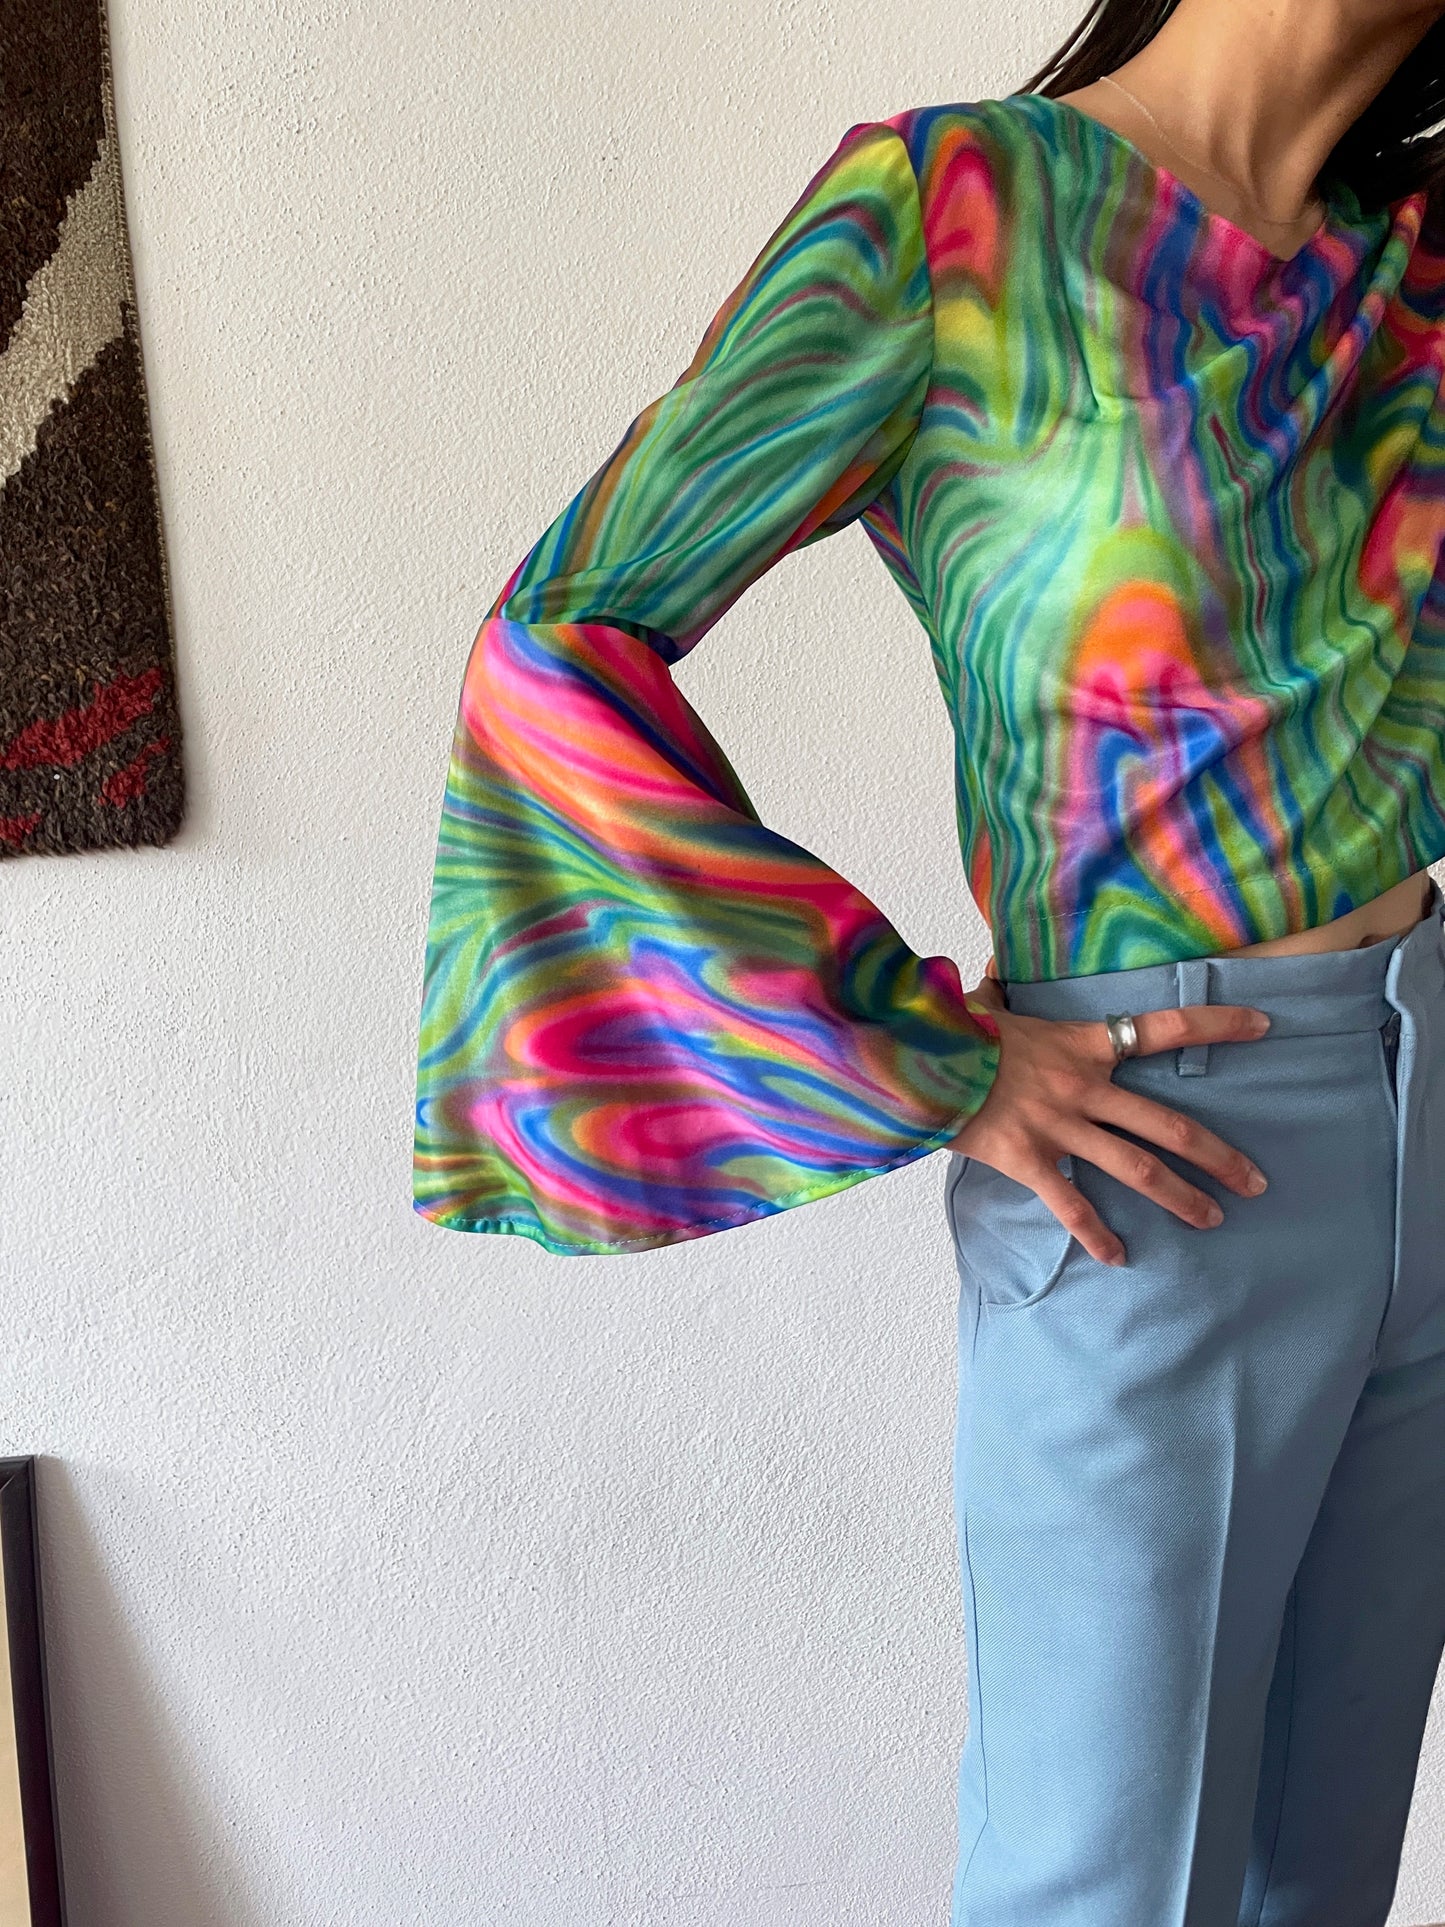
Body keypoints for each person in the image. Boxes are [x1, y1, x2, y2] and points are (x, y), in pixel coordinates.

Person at [413, 0, 1445, 1919]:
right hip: (1165, 1153)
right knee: (1101, 1887)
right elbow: (559, 642)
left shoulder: (1408, 273)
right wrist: (926, 1054)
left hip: (1431, 1117)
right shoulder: (954, 214)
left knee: (1321, 1884)